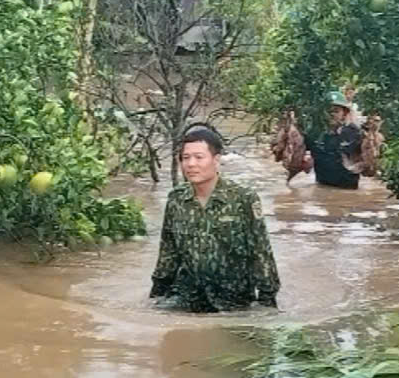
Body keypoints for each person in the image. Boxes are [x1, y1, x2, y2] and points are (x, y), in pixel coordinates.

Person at [150, 125, 281, 312]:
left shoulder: (243, 199)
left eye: (199, 157)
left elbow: (261, 253)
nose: (191, 164)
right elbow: (168, 253)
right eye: (186, 158)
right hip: (187, 296)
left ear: (216, 160)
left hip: (233, 299)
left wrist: (267, 301)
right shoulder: (176, 199)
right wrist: (157, 295)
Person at [304, 91, 365, 190]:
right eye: (328, 111)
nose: (332, 114)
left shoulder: (354, 133)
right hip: (321, 188)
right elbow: (299, 153)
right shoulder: (314, 132)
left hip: (349, 190)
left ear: (344, 113)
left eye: (336, 111)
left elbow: (368, 157)